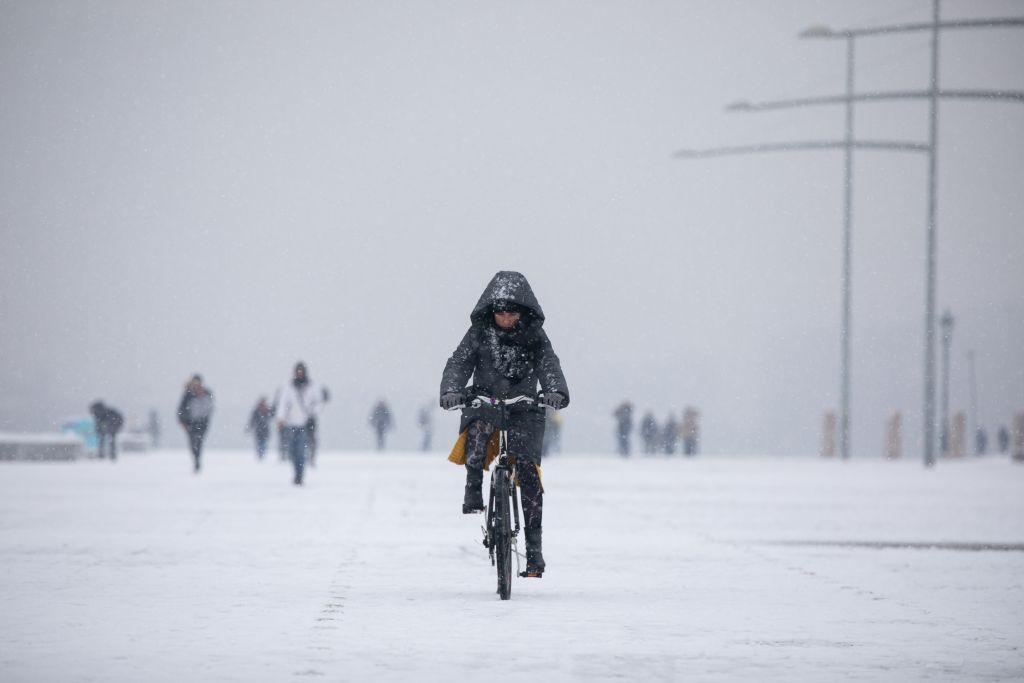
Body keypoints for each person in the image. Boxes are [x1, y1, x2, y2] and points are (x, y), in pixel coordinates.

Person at [440, 271, 569, 578]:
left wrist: (554, 392)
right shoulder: (478, 333)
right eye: (500, 311)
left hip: (525, 407)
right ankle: (473, 488)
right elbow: (459, 362)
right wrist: (451, 391)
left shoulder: (535, 336)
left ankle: (534, 551)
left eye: (512, 312)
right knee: (478, 434)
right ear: (491, 310)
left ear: (523, 312)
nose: (506, 317)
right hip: (485, 402)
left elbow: (549, 365)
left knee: (527, 472)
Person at [275, 362, 324, 486]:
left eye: (301, 371)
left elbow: (318, 403)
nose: (300, 374)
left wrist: (312, 413)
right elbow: (283, 404)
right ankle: (296, 472)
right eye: (298, 371)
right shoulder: (289, 387)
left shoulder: (312, 387)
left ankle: (299, 476)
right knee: (292, 451)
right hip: (291, 423)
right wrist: (281, 419)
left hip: (304, 424)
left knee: (301, 451)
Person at [177, 374, 214, 472]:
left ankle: (197, 460)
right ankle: (196, 459)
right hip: (190, 423)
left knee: (199, 441)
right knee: (193, 442)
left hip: (203, 422)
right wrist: (182, 421)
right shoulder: (188, 394)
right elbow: (181, 409)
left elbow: (210, 406)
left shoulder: (207, 392)